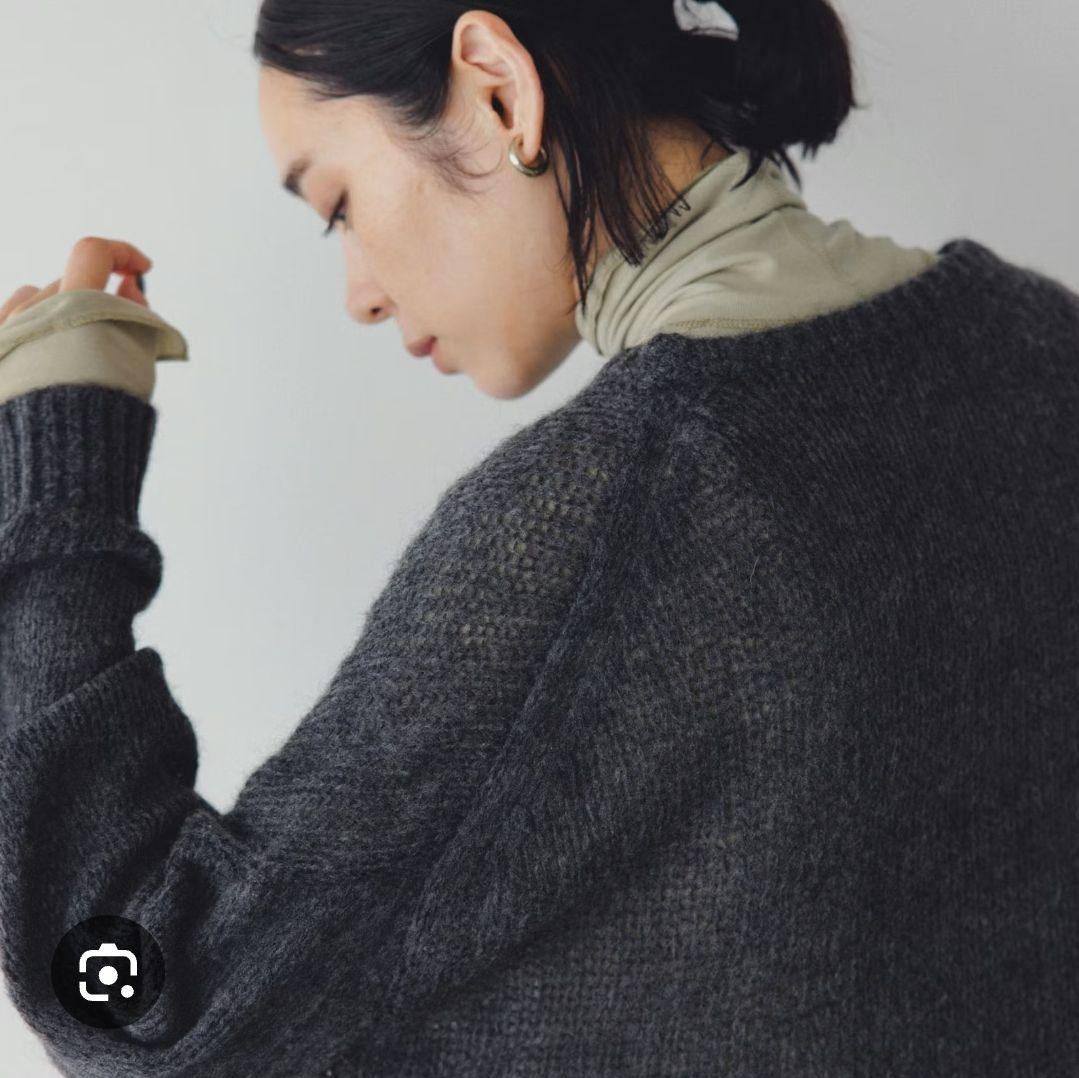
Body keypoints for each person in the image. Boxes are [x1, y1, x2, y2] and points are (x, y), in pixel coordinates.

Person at [1, 3, 1077, 1076]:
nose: (359, 295)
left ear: (498, 89)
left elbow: (141, 1002)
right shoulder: (1042, 343)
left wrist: (54, 459)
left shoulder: (608, 513)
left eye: (338, 207)